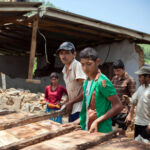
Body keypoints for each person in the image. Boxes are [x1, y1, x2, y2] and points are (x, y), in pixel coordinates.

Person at [63, 47, 122, 133]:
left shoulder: (102, 82)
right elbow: (88, 109)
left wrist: (97, 121)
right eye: (82, 64)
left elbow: (118, 106)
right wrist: (74, 123)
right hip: (87, 128)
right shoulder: (86, 81)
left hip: (101, 130)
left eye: (89, 64)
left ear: (97, 62)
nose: (85, 68)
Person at [57, 42, 86, 122]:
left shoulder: (77, 66)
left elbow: (87, 90)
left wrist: (71, 103)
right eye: (61, 53)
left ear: (74, 54)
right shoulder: (65, 70)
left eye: (67, 53)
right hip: (73, 109)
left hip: (80, 110)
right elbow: (72, 91)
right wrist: (66, 102)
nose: (63, 56)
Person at [126, 66, 150, 143]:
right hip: (138, 123)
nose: (138, 78)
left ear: (147, 76)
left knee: (145, 145)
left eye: (140, 76)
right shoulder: (141, 88)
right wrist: (130, 114)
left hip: (147, 125)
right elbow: (133, 101)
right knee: (137, 145)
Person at [111, 59, 136, 136]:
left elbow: (134, 99)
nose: (116, 73)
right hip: (113, 109)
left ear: (124, 69)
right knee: (112, 133)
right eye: (115, 71)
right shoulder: (114, 79)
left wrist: (130, 115)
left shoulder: (130, 80)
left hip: (123, 112)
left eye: (118, 71)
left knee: (122, 134)